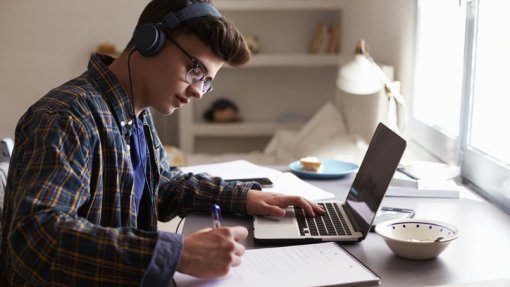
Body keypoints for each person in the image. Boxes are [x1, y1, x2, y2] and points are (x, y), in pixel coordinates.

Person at [0, 0, 325, 285]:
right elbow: (35, 238)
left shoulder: (135, 114)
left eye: (208, 82)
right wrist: (176, 253)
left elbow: (160, 186)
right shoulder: (67, 117)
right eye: (196, 70)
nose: (199, 91)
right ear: (149, 41)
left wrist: (245, 197)